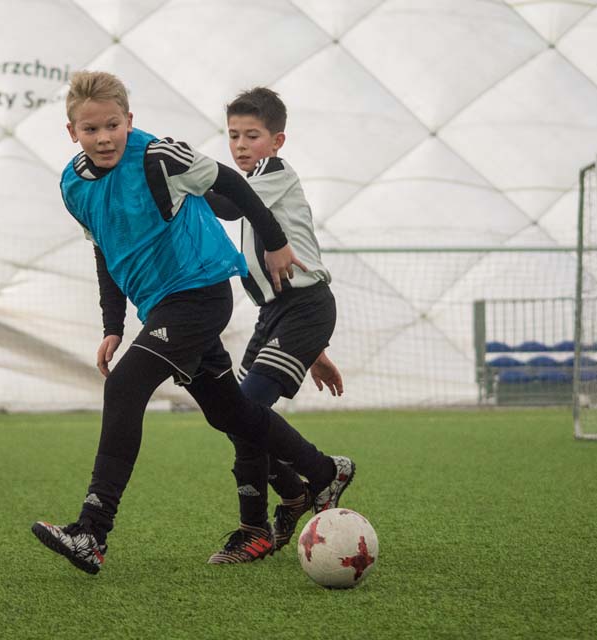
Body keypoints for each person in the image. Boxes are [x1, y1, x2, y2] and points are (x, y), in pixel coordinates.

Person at [30, 70, 354, 575]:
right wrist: (112, 325)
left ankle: (92, 531)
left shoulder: (160, 156)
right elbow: (105, 252)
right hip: (161, 306)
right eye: (91, 129)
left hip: (198, 296)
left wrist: (275, 242)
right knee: (231, 413)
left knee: (125, 388)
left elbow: (232, 185)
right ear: (72, 132)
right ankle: (323, 470)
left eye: (113, 125)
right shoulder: (73, 185)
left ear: (129, 120)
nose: (104, 137)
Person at [202, 88, 348, 564]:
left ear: (277, 141)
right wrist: (315, 352)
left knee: (244, 411)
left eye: (252, 135)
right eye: (233, 136)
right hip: (278, 315)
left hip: (305, 308)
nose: (240, 146)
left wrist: (182, 176)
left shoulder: (273, 172)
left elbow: (227, 205)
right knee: (236, 417)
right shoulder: (255, 181)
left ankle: (263, 523)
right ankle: (296, 491)